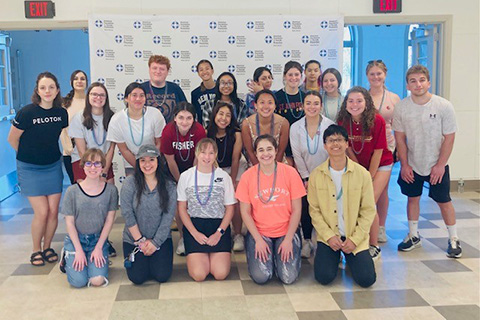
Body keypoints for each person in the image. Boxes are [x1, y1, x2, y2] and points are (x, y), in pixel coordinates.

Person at [393, 65, 461, 258]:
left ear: (428, 82)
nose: (418, 84)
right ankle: (413, 235)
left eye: (422, 80)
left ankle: (454, 238)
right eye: (413, 81)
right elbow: (400, 139)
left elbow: (449, 137)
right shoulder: (402, 107)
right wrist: (404, 165)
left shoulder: (443, 106)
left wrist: (440, 165)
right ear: (407, 85)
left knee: (444, 201)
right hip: (413, 163)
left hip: (436, 163)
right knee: (412, 198)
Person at [7, 72, 68, 266]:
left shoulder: (61, 113)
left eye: (51, 87)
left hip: (52, 167)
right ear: (37, 90)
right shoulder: (27, 113)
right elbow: (12, 139)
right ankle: (36, 249)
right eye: (43, 87)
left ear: (57, 90)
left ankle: (48, 246)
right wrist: (28, 157)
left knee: (52, 211)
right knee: (41, 212)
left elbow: (62, 137)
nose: (47, 91)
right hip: (30, 169)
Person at [308, 125, 376, 288]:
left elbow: (368, 211)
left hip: (354, 236)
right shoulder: (316, 175)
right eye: (331, 140)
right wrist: (329, 236)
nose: (335, 144)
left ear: (347, 144)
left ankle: (352, 258)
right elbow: (314, 212)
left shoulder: (362, 174)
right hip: (329, 236)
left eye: (339, 140)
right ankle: (335, 256)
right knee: (324, 277)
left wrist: (355, 239)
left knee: (367, 280)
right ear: (325, 145)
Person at [236, 135, 305, 284]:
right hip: (260, 233)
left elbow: (297, 210)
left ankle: (279, 256)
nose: (265, 154)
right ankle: (269, 257)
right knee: (261, 277)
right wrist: (258, 240)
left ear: (276, 151)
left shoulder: (290, 173)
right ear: (255, 154)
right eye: (261, 150)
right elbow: (245, 212)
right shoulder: (248, 176)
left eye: (269, 149)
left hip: (286, 232)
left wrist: (288, 240)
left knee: (288, 277)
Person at [337, 87, 393, 261]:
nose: (355, 105)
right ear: (345, 104)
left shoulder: (377, 120)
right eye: (351, 101)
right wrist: (358, 170)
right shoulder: (342, 121)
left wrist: (369, 175)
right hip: (357, 165)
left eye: (359, 101)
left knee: (368, 202)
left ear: (367, 103)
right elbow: (348, 148)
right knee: (357, 202)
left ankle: (373, 245)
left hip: (381, 164)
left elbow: (378, 151)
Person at [177, 138, 236, 281]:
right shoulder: (186, 176)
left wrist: (219, 233)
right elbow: (182, 209)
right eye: (203, 152)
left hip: (218, 226)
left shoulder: (223, 177)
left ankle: (213, 255)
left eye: (211, 153)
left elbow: (230, 209)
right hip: (195, 226)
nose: (207, 157)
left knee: (220, 274)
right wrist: (194, 233)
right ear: (197, 154)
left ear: (215, 154)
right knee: (199, 275)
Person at [61, 148, 118, 288]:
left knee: (97, 281)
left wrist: (99, 247)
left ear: (103, 166)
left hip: (97, 239)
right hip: (76, 239)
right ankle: (67, 255)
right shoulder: (72, 191)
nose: (93, 167)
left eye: (97, 164)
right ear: (83, 165)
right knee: (78, 282)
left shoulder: (111, 190)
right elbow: (69, 222)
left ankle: (97, 259)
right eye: (89, 163)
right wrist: (78, 249)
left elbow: (109, 220)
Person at [121, 144, 177, 284]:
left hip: (160, 239)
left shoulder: (169, 185)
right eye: (143, 160)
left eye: (151, 160)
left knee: (162, 276)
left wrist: (155, 243)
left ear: (158, 161)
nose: (147, 164)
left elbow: (168, 217)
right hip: (134, 239)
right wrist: (140, 241)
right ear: (138, 162)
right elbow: (127, 214)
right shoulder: (130, 183)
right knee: (137, 278)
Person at [289, 91, 335, 258]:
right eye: (308, 103)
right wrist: (306, 178)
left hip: (327, 175)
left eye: (316, 103)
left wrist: (322, 177)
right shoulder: (295, 127)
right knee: (306, 208)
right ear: (302, 106)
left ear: (321, 106)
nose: (312, 107)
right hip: (305, 177)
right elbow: (296, 155)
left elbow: (333, 153)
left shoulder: (330, 126)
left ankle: (326, 241)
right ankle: (307, 241)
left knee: (326, 209)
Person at [161, 102, 206, 255]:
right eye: (181, 117)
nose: (184, 122)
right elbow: (170, 160)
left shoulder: (199, 130)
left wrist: (190, 179)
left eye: (188, 118)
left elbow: (198, 157)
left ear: (194, 119)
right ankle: (182, 237)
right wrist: (180, 181)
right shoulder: (168, 131)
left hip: (193, 169)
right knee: (178, 204)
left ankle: (196, 234)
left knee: (194, 203)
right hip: (172, 172)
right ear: (174, 118)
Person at [366, 60, 401, 243]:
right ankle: (368, 224)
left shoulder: (393, 98)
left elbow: (399, 127)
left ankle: (380, 227)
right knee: (368, 189)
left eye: (378, 73)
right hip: (367, 148)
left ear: (385, 75)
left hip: (388, 148)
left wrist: (400, 151)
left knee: (382, 191)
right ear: (367, 76)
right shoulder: (363, 97)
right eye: (372, 74)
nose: (376, 77)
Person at [206, 102, 247, 251]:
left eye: (228, 115)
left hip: (235, 168)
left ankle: (237, 234)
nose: (223, 118)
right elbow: (208, 158)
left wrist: (232, 180)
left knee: (234, 199)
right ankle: (220, 230)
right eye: (220, 114)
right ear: (214, 115)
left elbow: (235, 158)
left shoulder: (236, 133)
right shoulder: (207, 132)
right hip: (215, 168)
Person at [107, 82, 165, 176]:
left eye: (142, 95)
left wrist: (150, 163)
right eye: (134, 95)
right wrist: (139, 167)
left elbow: (159, 143)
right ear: (126, 98)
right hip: (132, 164)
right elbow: (124, 149)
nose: (138, 99)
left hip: (154, 163)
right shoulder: (116, 120)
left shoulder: (155, 114)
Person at [69, 82, 115, 184]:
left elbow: (111, 148)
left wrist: (104, 172)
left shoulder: (113, 118)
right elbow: (82, 151)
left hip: (104, 162)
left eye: (102, 95)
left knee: (109, 192)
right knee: (88, 195)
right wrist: (92, 169)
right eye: (94, 94)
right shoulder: (78, 118)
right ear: (88, 96)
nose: (98, 97)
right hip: (83, 161)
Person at [242, 89, 289, 166]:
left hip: (278, 163)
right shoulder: (246, 124)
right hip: (255, 164)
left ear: (275, 106)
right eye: (262, 102)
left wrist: (274, 169)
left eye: (270, 102)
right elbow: (250, 152)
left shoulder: (283, 123)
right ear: (255, 105)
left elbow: (281, 151)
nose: (266, 106)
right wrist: (260, 170)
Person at [141, 55, 187, 123]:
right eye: (154, 68)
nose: (158, 71)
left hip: (172, 132)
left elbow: (186, 111)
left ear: (167, 71)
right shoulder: (141, 89)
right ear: (149, 69)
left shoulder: (175, 89)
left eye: (162, 69)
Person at [60, 70, 88, 184]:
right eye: (76, 78)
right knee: (77, 187)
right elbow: (62, 130)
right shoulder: (64, 104)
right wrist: (69, 149)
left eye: (82, 78)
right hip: (71, 154)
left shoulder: (92, 101)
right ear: (71, 82)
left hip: (90, 153)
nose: (79, 81)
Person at [275, 61, 305, 164]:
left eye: (296, 74)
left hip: (301, 143)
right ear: (284, 76)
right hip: (283, 144)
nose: (293, 78)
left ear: (301, 76)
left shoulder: (305, 97)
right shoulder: (276, 97)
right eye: (290, 75)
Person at [191, 59, 216, 126]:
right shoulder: (195, 93)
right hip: (203, 129)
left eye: (207, 68)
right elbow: (195, 115)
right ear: (198, 73)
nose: (204, 72)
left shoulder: (220, 90)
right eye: (201, 70)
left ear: (212, 71)